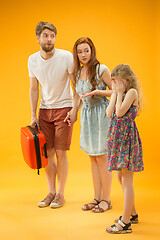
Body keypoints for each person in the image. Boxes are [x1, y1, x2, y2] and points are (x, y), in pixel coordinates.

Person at [83, 64, 144, 233]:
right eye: (114, 81)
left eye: (118, 81)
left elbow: (119, 113)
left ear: (127, 80)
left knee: (127, 180)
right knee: (120, 178)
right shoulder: (119, 93)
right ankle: (132, 213)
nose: (115, 84)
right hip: (117, 139)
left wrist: (116, 93)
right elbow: (109, 113)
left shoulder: (131, 93)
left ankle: (125, 223)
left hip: (127, 140)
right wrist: (116, 94)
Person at [28, 21, 73, 208]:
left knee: (61, 153)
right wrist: (33, 114)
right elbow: (33, 88)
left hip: (64, 107)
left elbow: (76, 83)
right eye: (46, 35)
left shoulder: (66, 56)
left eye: (52, 36)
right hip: (44, 110)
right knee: (48, 153)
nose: (49, 39)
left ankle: (61, 194)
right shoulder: (32, 60)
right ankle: (51, 192)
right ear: (38, 38)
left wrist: (75, 109)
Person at [65, 37, 113, 213]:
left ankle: (106, 200)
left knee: (102, 157)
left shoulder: (102, 69)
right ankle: (97, 197)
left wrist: (100, 91)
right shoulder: (77, 73)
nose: (83, 54)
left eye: (86, 50)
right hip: (87, 117)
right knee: (93, 158)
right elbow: (77, 96)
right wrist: (73, 113)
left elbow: (116, 90)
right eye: (80, 52)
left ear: (92, 51)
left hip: (101, 114)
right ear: (76, 54)